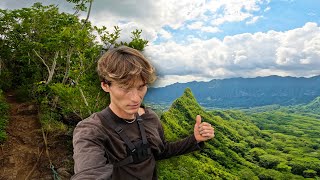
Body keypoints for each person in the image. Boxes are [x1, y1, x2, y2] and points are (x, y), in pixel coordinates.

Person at [72, 46, 215, 180]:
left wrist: (194, 139)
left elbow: (161, 151)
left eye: (141, 87)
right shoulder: (91, 130)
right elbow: (89, 173)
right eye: (125, 88)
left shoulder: (149, 117)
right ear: (105, 85)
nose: (135, 98)